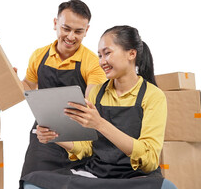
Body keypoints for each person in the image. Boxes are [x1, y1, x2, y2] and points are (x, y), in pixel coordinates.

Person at [22, 26, 177, 189]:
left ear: (131, 54)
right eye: (99, 55)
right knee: (32, 182)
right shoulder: (97, 92)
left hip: (135, 179)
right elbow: (87, 148)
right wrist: (55, 137)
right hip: (95, 175)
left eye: (107, 53)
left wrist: (100, 124)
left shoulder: (153, 96)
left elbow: (150, 159)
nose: (102, 61)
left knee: (167, 187)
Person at [19, 0, 107, 187]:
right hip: (44, 134)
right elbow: (29, 84)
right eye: (66, 28)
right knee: (32, 182)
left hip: (78, 136)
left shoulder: (92, 62)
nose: (71, 36)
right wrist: (14, 83)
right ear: (55, 24)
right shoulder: (39, 55)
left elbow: (91, 102)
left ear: (87, 30)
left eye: (78, 31)